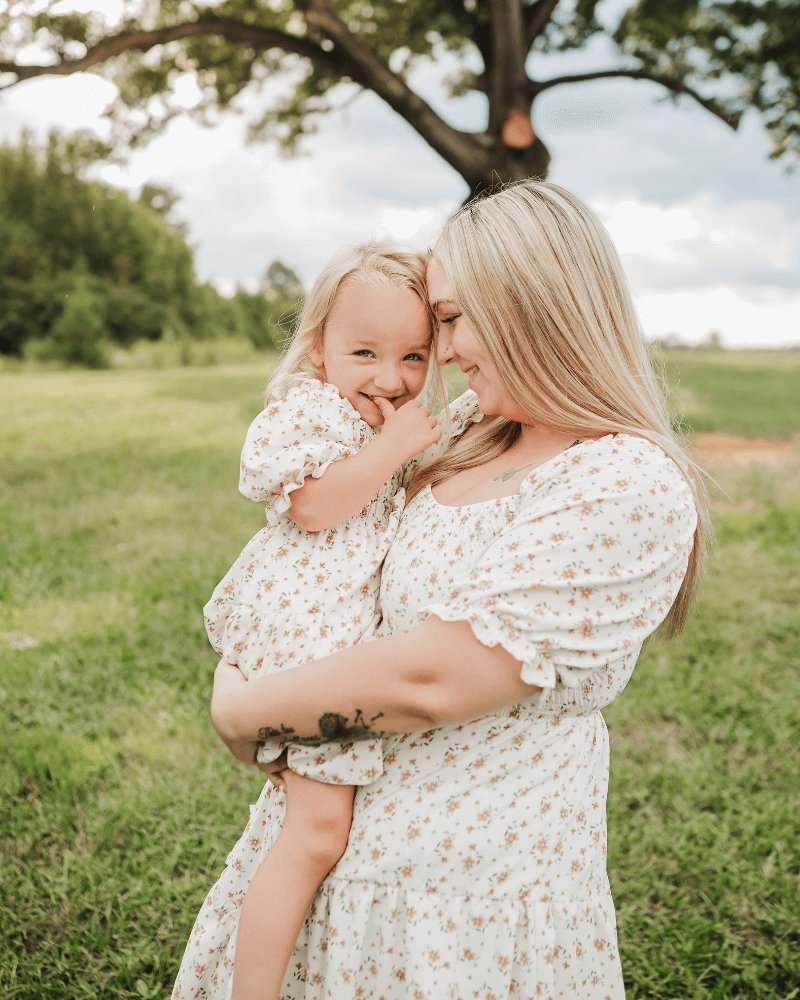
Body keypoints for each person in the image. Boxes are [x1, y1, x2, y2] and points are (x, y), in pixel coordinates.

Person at [208, 180, 708, 1000]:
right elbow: (320, 555)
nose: (441, 355)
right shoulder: (475, 429)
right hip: (333, 856)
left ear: (534, 309)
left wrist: (244, 708)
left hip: (461, 902)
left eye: (450, 320)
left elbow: (435, 677)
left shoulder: (624, 481)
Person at [172, 244, 445, 1000]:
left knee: (313, 829)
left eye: (413, 355)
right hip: (305, 635)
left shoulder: (376, 417)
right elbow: (316, 506)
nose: (390, 377)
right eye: (365, 352)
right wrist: (395, 445)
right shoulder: (309, 411)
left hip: (328, 632)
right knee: (316, 834)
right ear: (319, 347)